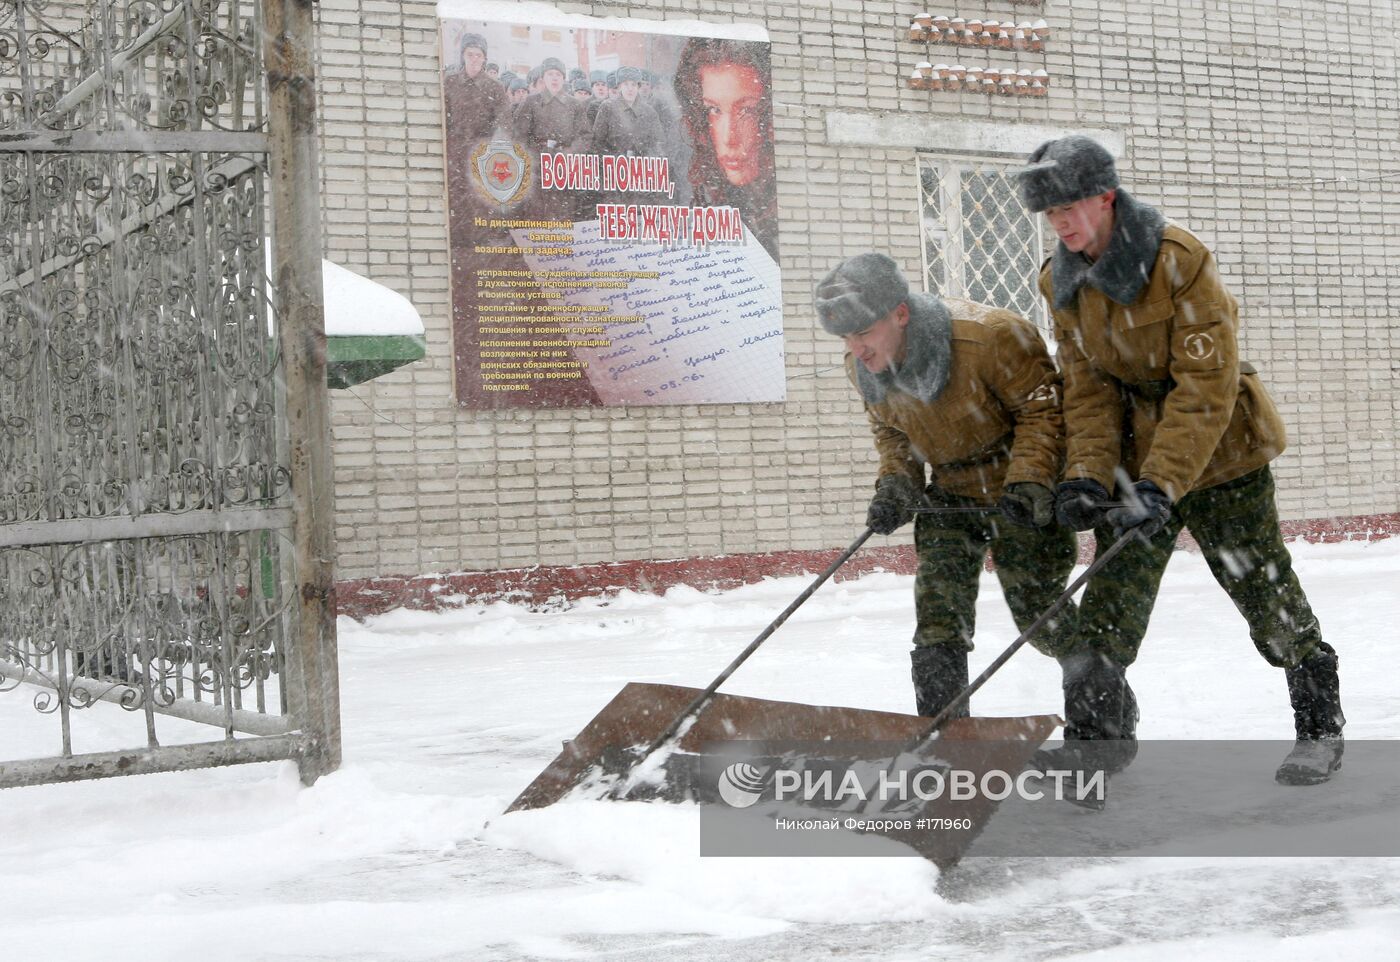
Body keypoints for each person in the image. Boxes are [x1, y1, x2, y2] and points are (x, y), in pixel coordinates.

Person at [1014, 135, 1344, 785]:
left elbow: (1206, 385)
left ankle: (1320, 728)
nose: (1062, 225)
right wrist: (1084, 471)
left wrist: (1162, 484)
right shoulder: (1062, 280)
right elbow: (1087, 387)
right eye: (1051, 215)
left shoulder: (1178, 259)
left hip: (1223, 455)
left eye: (1072, 208)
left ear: (1106, 197)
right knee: (1110, 604)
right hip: (1133, 466)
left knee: (1264, 590)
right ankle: (1095, 747)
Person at [815, 253, 1078, 719]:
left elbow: (1043, 413)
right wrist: (897, 484)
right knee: (938, 618)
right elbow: (894, 433)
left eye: (864, 332)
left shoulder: (992, 338)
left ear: (900, 313)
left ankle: (1102, 721)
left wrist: (1032, 480)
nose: (857, 348)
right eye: (847, 337)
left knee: (1041, 616)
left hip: (1020, 486)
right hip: (951, 492)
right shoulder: (863, 369)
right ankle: (943, 737)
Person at [673, 37, 779, 259]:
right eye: (714, 110)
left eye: (746, 111)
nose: (729, 138)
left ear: (767, 113)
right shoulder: (705, 200)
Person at [441, 32, 508, 245]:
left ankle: (481, 239)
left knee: (480, 196)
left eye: (478, 55)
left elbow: (504, 122)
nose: (474, 59)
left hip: (482, 151)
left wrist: (491, 145)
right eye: (470, 54)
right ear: (463, 56)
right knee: (457, 195)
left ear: (484, 58)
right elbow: (442, 117)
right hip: (455, 149)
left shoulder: (494, 88)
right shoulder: (450, 83)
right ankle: (459, 239)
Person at [592, 66, 663, 159]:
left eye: (633, 84)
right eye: (626, 84)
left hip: (642, 167)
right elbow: (597, 141)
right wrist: (612, 159)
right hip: (614, 166)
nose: (630, 89)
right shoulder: (607, 107)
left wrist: (648, 157)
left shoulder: (649, 112)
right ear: (619, 87)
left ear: (638, 87)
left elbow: (658, 143)